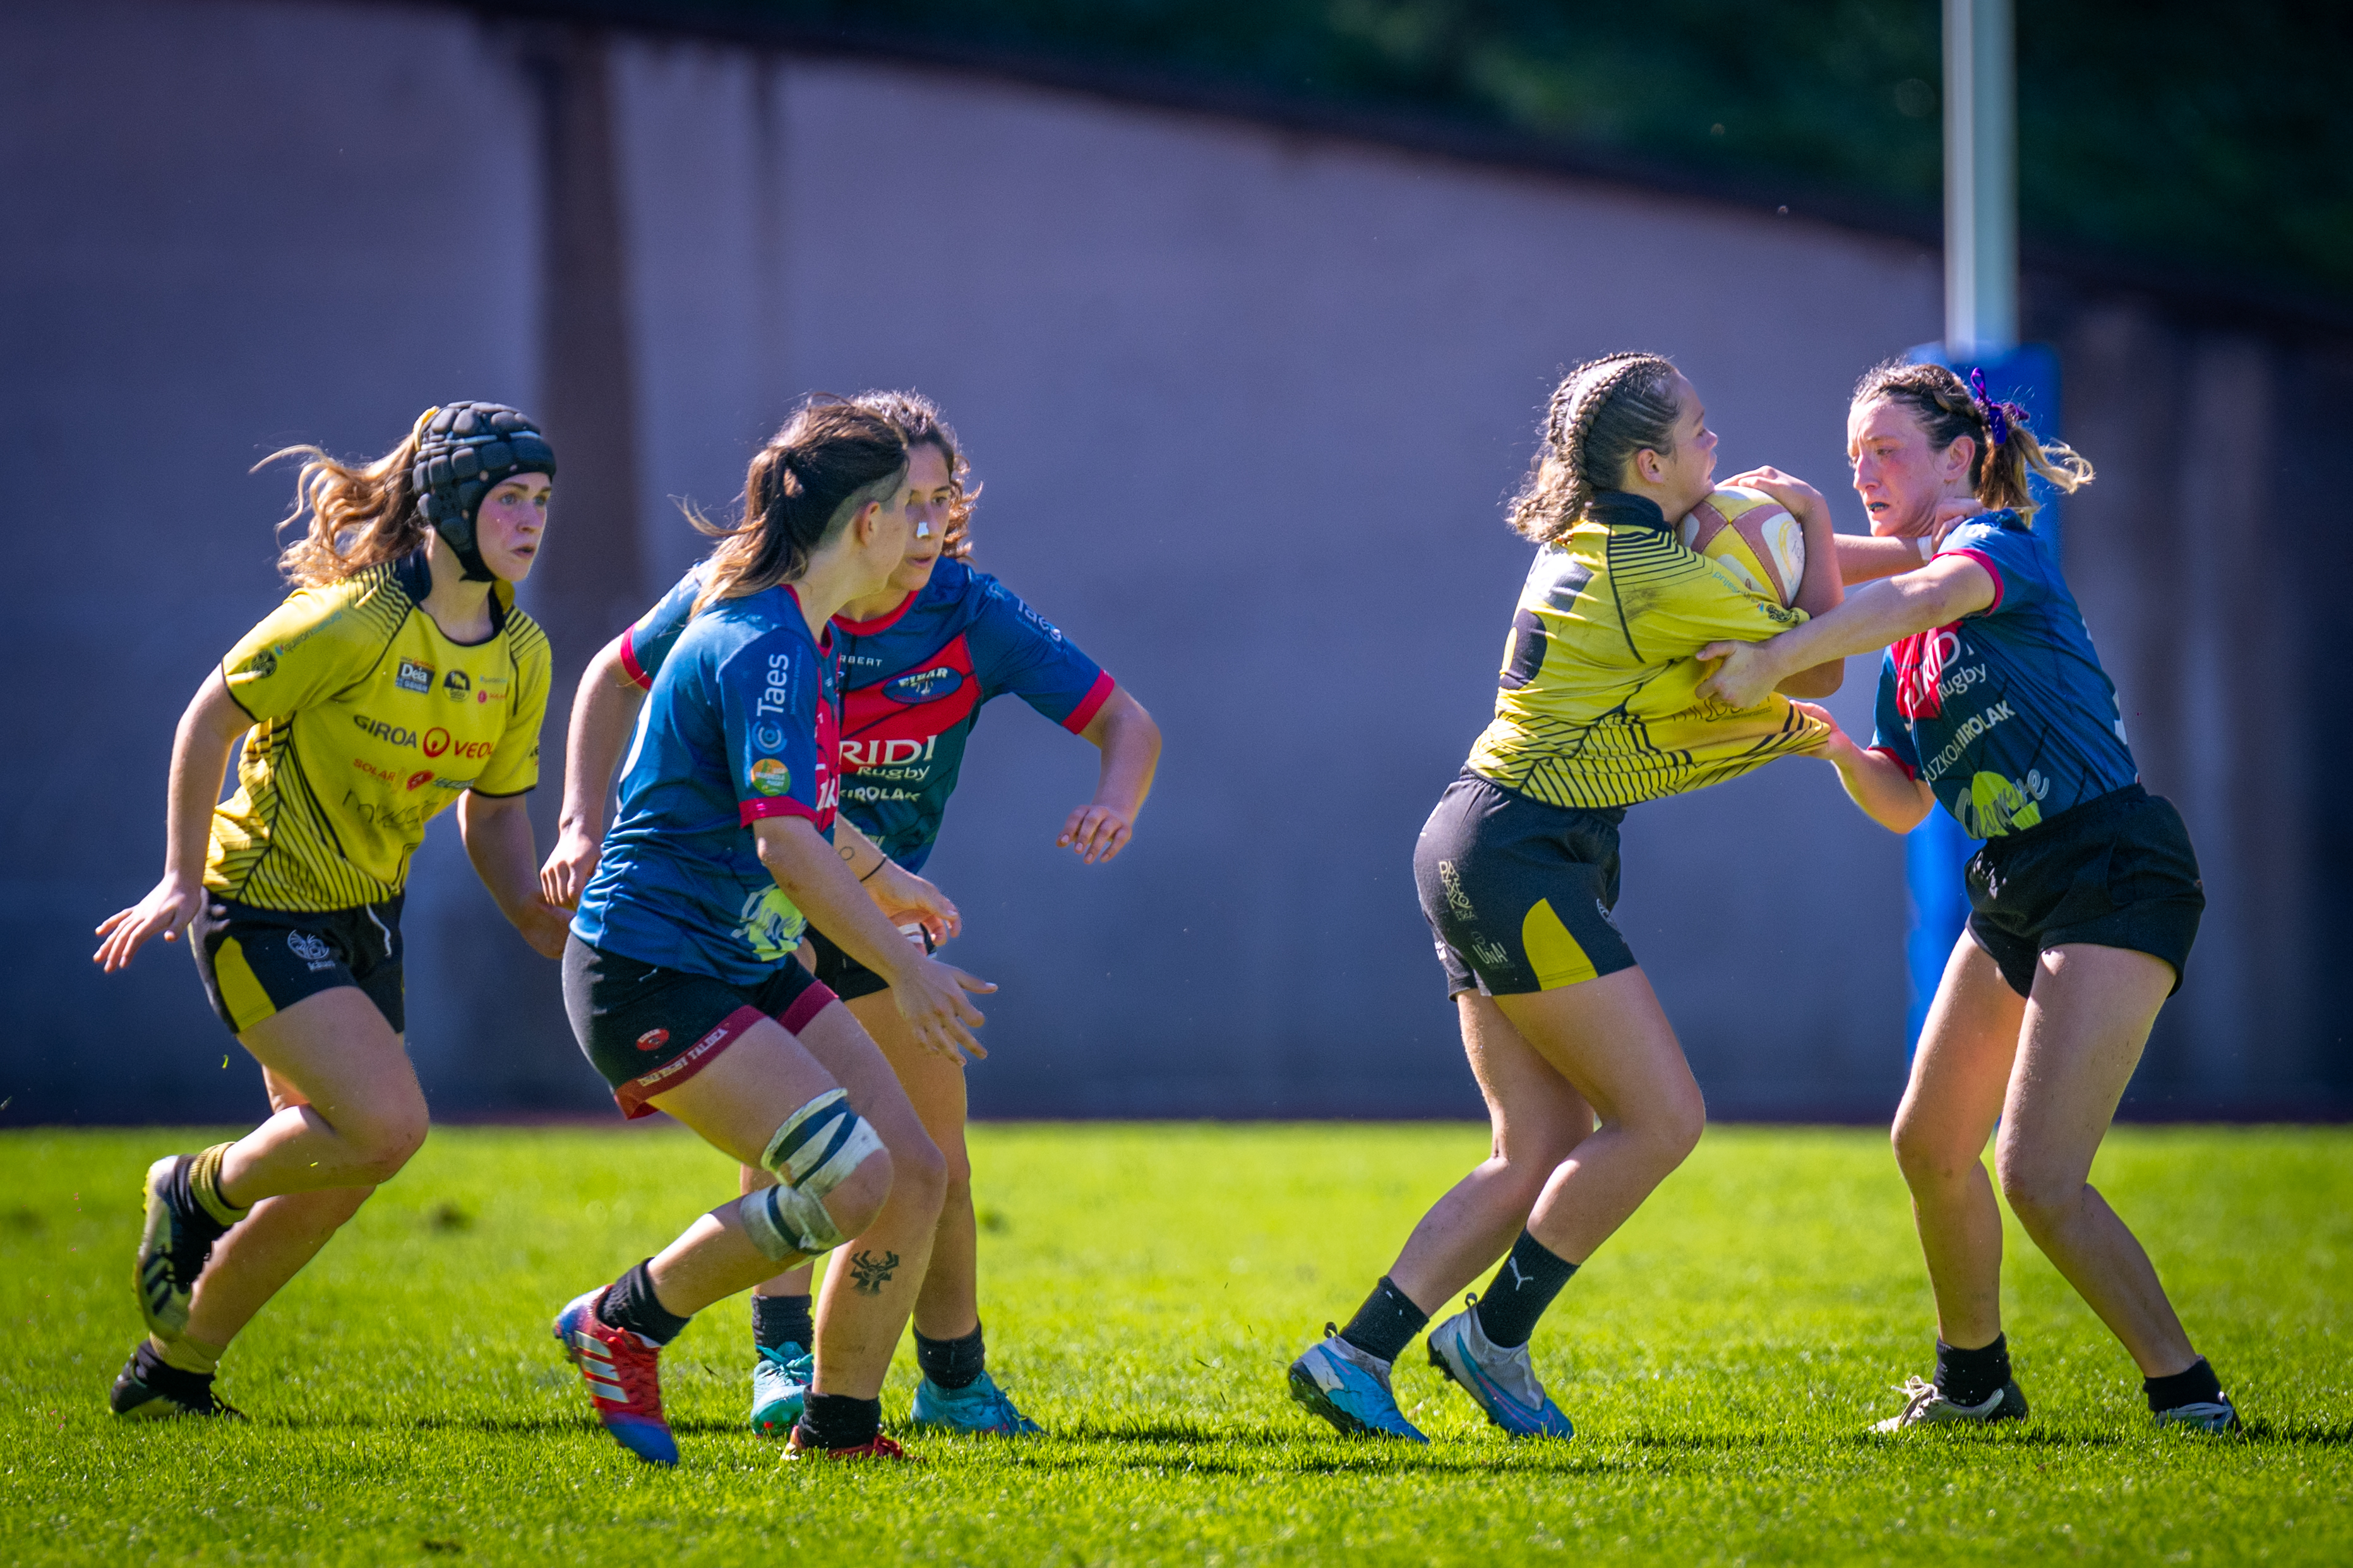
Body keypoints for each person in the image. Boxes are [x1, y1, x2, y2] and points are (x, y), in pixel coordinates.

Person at [543, 391, 1161, 1438]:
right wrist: (905, 963)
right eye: (909, 510)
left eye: (941, 507)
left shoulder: (808, 628)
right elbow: (783, 842)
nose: (931, 532)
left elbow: (804, 817)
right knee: (849, 1177)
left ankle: (839, 1428)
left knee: (912, 1167)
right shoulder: (768, 639)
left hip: (744, 949)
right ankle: (628, 1320)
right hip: (658, 967)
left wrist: (888, 880)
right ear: (865, 523)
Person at [1286, 352, 1845, 1442]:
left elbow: (1760, 595)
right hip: (1523, 854)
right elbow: (1816, 661)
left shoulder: (1596, 541)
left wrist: (1913, 559)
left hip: (1478, 833)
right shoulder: (1663, 580)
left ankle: (1350, 1354)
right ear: (1648, 461)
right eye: (1698, 433)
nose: (1714, 447)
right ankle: (1489, 1337)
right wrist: (1816, 522)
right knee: (1662, 1118)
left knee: (1534, 1145)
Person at [1694, 361, 2236, 1433]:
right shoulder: (1900, 647)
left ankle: (2189, 1396)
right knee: (1927, 1140)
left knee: (2036, 1175)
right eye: (1851, 459)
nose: (1863, 472)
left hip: (2109, 861)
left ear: (1958, 458)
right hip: (2012, 883)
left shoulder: (1991, 549)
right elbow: (1903, 803)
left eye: (1883, 450)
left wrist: (1778, 649)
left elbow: (1916, 589)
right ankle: (1974, 1384)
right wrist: (1825, 741)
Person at [94, 404, 569, 1418]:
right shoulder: (351, 621)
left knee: (340, 1161)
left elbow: (494, 819)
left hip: (365, 915)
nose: (531, 521)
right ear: (449, 504)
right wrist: (178, 877)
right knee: (386, 1127)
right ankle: (193, 1190)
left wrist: (534, 916)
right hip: (259, 902)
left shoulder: (520, 651)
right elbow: (209, 715)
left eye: (542, 501)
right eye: (509, 499)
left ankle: (173, 1372)